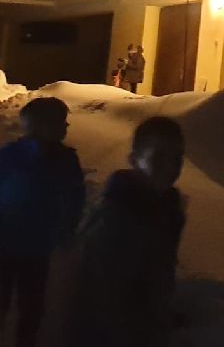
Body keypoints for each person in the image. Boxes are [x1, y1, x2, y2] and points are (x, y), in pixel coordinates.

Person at [64, 116, 186, 347]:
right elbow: (104, 297)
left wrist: (161, 315)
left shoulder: (166, 210)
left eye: (177, 158)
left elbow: (156, 274)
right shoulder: (117, 216)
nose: (171, 167)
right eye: (158, 157)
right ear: (133, 159)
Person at [0, 97, 85, 347]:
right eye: (60, 122)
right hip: (6, 242)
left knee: (32, 306)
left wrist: (67, 227)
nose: (66, 127)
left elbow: (75, 196)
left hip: (39, 247)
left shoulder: (66, 160)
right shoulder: (11, 156)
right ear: (40, 125)